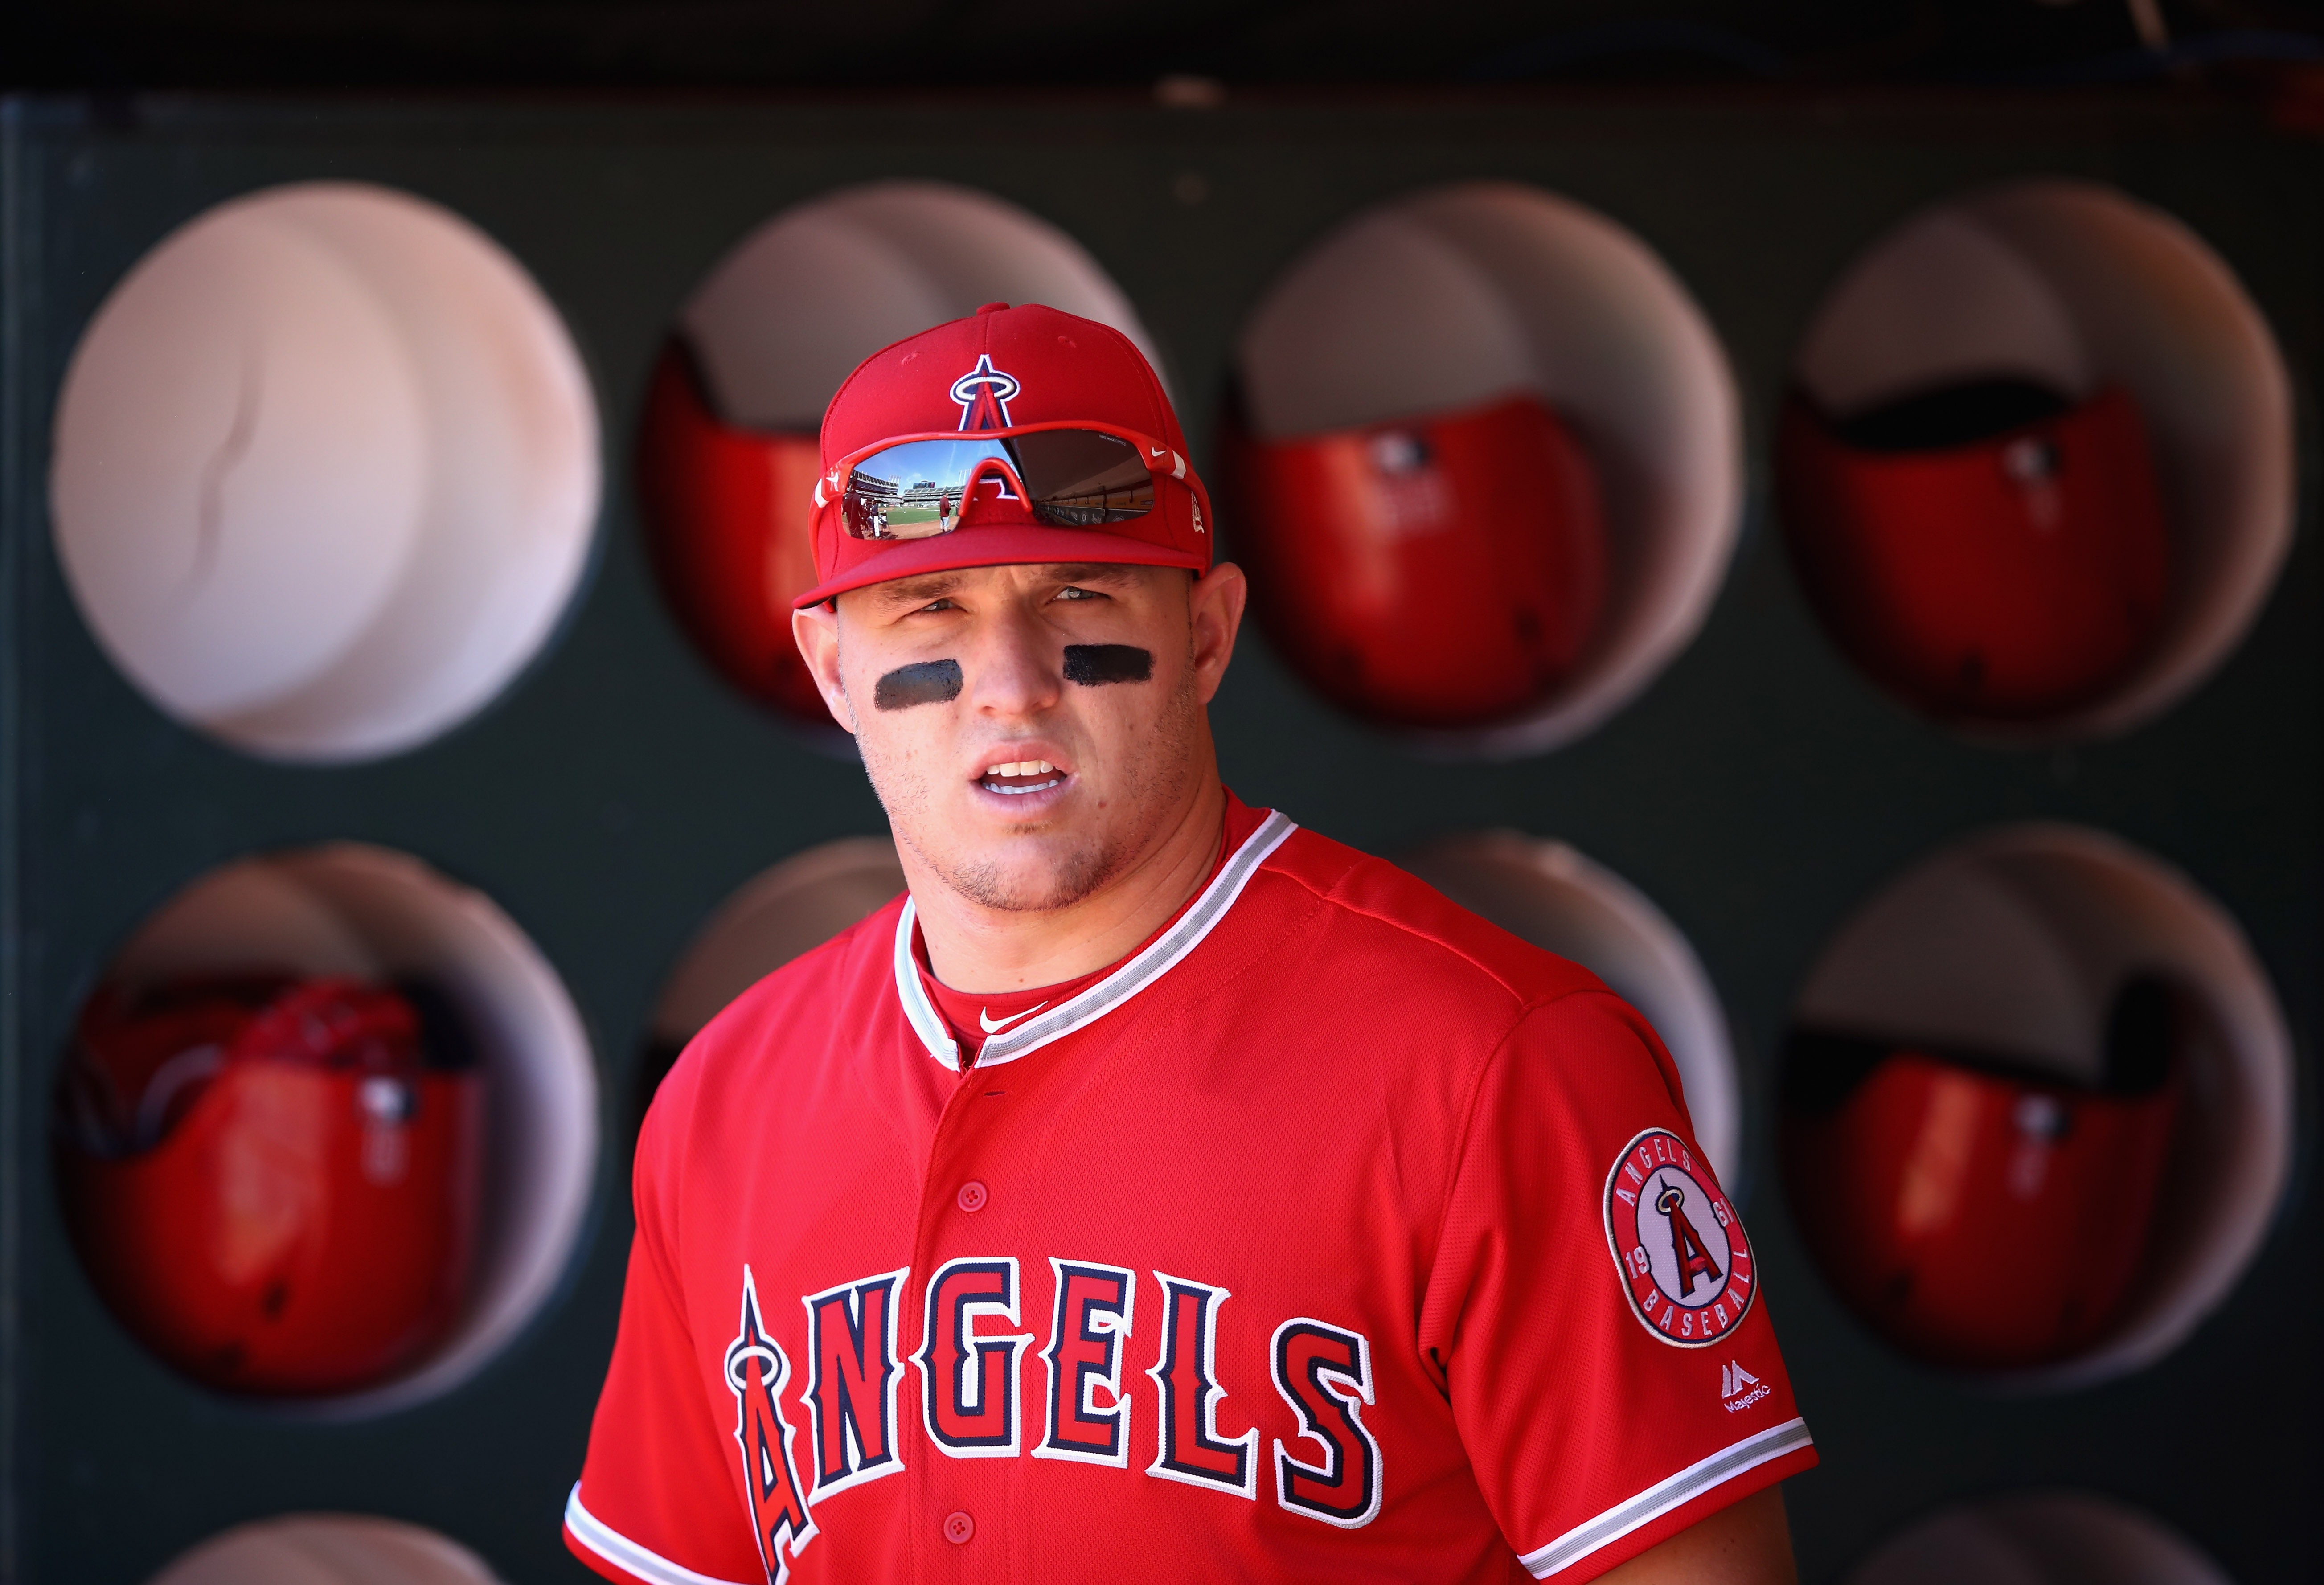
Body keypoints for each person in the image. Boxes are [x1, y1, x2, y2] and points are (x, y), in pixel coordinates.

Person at [565, 302, 1815, 1585]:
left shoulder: (1499, 1066)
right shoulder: (723, 1101)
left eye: (1077, 592)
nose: (1010, 679)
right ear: (832, 669)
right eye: (930, 610)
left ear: (1205, 637)